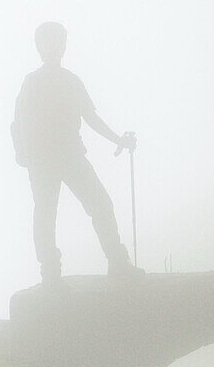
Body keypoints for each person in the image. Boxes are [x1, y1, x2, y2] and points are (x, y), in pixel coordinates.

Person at [11, 21, 140, 284]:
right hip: (48, 160)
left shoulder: (69, 81)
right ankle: (52, 271)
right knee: (49, 214)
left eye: (60, 42)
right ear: (40, 47)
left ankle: (112, 262)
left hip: (64, 156)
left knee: (96, 205)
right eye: (51, 42)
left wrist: (118, 139)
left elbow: (90, 117)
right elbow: (18, 123)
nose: (57, 48)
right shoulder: (34, 82)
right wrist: (23, 154)